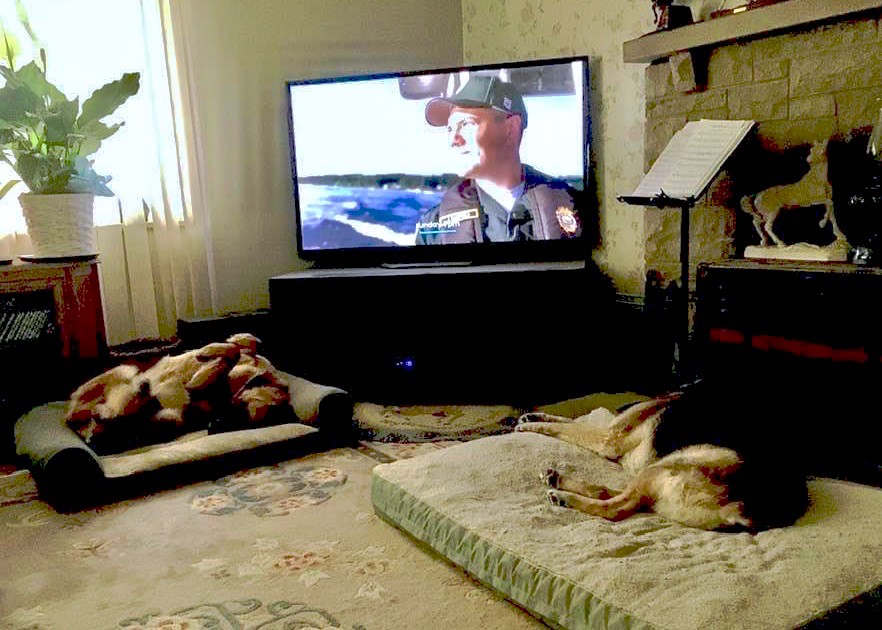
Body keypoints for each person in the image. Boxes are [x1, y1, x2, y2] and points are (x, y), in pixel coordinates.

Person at [415, 75, 585, 245]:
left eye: (466, 124)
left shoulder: (578, 207)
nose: (454, 140)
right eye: (450, 128)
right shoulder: (432, 229)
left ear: (511, 129)